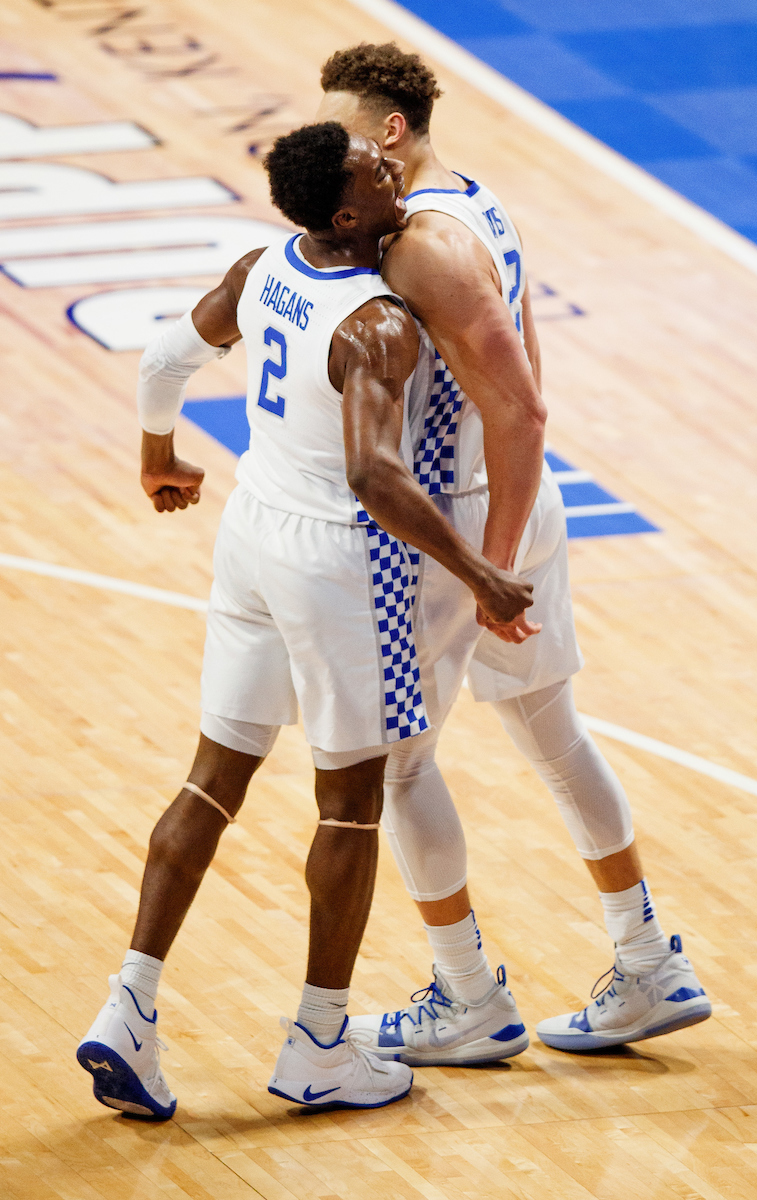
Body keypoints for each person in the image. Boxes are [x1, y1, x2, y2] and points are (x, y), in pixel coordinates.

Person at [76, 121, 535, 1118]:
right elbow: (374, 476)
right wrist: (479, 572)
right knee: (350, 803)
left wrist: (157, 457)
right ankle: (321, 1041)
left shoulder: (263, 267)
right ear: (347, 213)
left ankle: (129, 1005)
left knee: (211, 780)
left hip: (251, 533)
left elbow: (164, 358)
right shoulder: (376, 325)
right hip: (336, 559)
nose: (392, 171)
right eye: (375, 172)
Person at [317, 43, 711, 1060]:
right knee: (552, 732)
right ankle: (648, 962)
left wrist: (491, 571)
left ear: (390, 130)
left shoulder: (425, 244)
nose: (333, 149)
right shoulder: (481, 204)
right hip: (507, 505)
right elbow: (527, 375)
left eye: (345, 129)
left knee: (397, 763)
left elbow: (523, 408)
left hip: (458, 530)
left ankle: (464, 997)